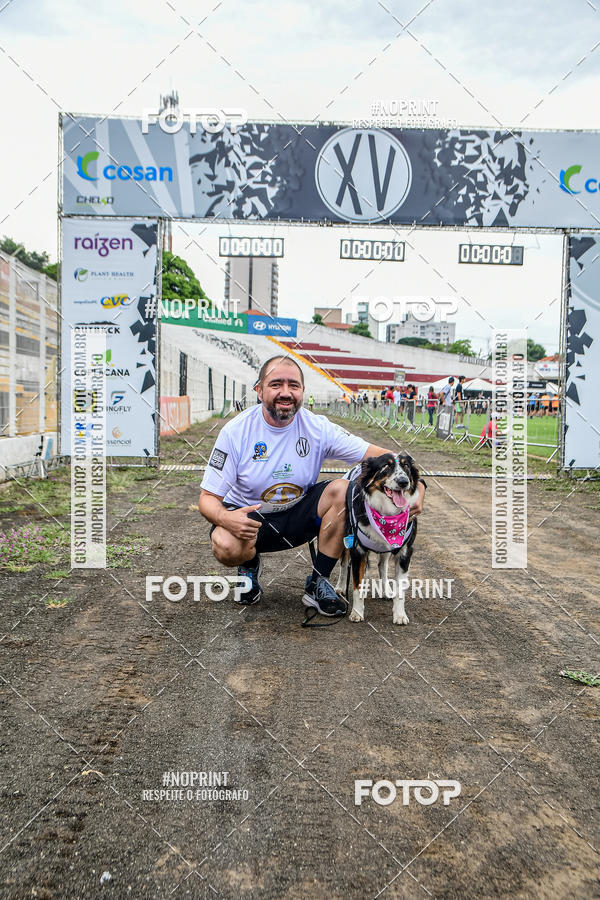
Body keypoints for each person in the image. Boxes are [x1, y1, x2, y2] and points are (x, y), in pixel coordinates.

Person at [198, 356, 426, 615]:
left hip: (299, 517)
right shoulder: (235, 431)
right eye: (276, 384)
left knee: (344, 489)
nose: (286, 392)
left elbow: (387, 457)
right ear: (259, 391)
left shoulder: (318, 427)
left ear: (303, 391)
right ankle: (249, 564)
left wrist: (421, 487)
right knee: (225, 545)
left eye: (293, 385)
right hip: (251, 520)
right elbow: (207, 499)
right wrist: (226, 519)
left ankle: (318, 582)